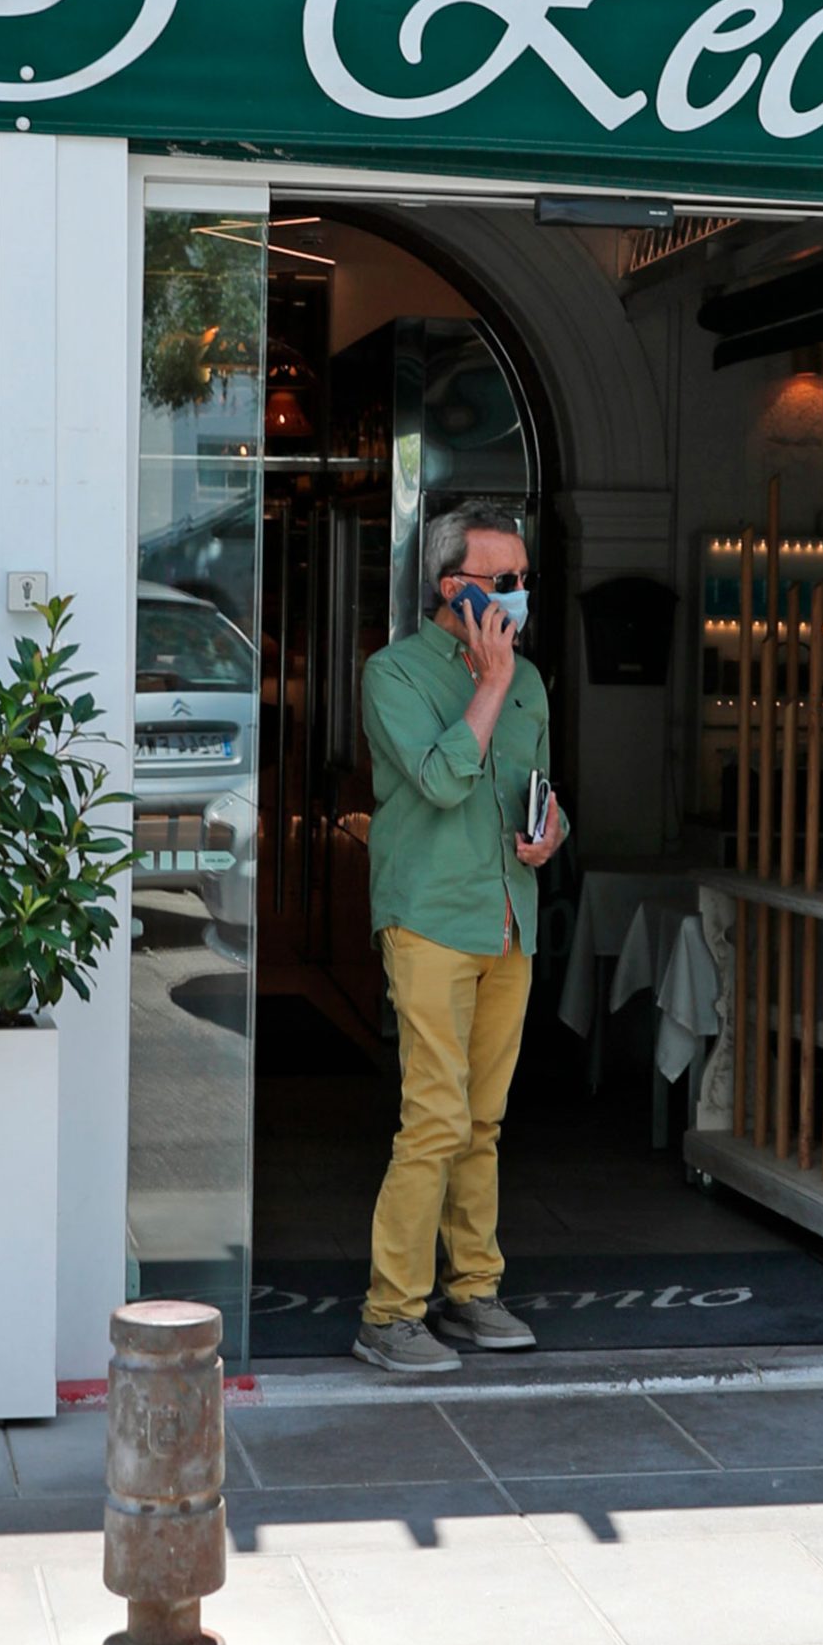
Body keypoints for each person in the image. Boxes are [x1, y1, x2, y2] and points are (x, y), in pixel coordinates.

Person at [352, 502, 566, 1374]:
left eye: (523, 580)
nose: (518, 596)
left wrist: (553, 831)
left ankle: (472, 1289)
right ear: (453, 589)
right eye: (501, 583)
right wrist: (486, 684)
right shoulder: (393, 675)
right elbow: (442, 783)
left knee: (483, 1119)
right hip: (430, 917)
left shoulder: (535, 683)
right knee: (433, 1119)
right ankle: (387, 1313)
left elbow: (535, 789)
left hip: (508, 916)